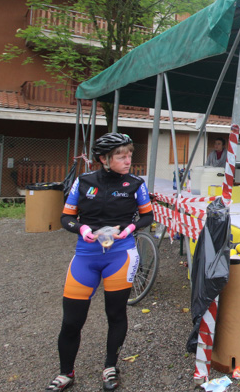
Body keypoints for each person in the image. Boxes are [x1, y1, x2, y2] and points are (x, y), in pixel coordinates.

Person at [46, 133, 154, 391]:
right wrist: (82, 229)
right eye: (121, 156)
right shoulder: (83, 182)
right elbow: (66, 217)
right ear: (104, 159)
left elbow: (147, 216)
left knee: (115, 314)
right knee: (71, 320)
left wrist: (128, 230)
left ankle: (110, 367)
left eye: (130, 154)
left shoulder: (136, 184)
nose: (129, 160)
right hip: (86, 256)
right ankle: (65, 373)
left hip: (121, 254)